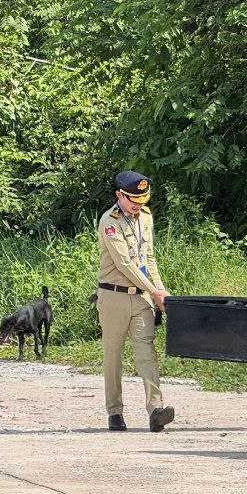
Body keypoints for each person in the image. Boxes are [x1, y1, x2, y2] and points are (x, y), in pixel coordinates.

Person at [96, 171, 175, 433]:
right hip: (113, 296)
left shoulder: (146, 217)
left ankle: (156, 410)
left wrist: (160, 291)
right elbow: (125, 264)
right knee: (113, 356)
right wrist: (154, 291)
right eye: (133, 199)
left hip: (141, 298)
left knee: (146, 353)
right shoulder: (109, 222)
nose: (138, 205)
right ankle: (115, 412)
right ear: (119, 195)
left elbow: (148, 259)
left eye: (143, 199)